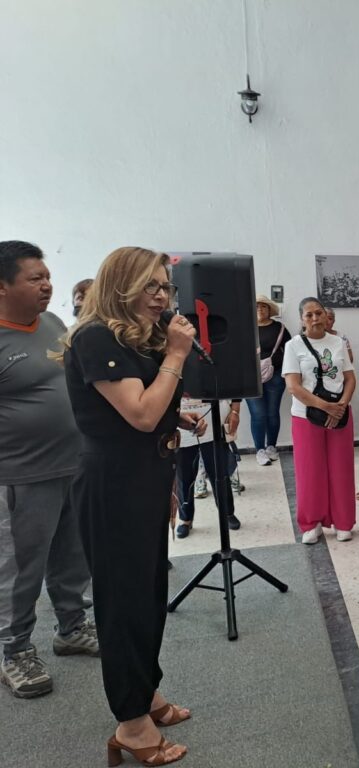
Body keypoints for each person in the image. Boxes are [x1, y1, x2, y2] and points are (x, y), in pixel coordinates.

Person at [64, 247, 197, 765]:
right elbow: (140, 413)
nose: (161, 296)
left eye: (165, 286)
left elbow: (143, 408)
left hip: (142, 477)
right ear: (120, 284)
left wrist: (175, 421)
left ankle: (145, 694)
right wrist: (178, 355)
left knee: (148, 595)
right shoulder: (95, 335)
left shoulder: (129, 337)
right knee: (123, 606)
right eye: (150, 286)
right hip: (113, 485)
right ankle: (131, 724)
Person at [0, 241, 94, 701]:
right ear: (2, 286)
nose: (47, 284)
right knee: (18, 572)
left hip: (72, 466)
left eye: (46, 275)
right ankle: (15, 651)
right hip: (19, 478)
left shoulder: (54, 324)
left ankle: (71, 628)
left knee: (71, 557)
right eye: (34, 278)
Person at [282, 297, 357, 544]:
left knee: (341, 467)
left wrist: (341, 406)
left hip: (339, 412)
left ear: (326, 315)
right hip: (307, 416)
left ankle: (344, 521)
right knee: (309, 470)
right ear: (302, 319)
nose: (315, 318)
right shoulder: (293, 346)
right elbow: (293, 386)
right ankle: (311, 523)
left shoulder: (339, 342)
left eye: (319, 313)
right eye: (309, 315)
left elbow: (350, 379)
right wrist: (326, 407)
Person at [174, 398, 241, 538]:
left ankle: (227, 513)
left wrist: (235, 410)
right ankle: (185, 519)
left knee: (220, 473)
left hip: (215, 419)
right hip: (182, 419)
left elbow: (235, 383)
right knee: (183, 476)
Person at [248, 295, 291, 467]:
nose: (260, 309)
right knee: (258, 414)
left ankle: (271, 446)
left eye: (264, 307)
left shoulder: (279, 328)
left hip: (275, 376)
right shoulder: (246, 327)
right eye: (257, 306)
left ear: (269, 310)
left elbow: (290, 349)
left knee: (273, 412)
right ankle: (260, 450)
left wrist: (286, 373)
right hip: (251, 377)